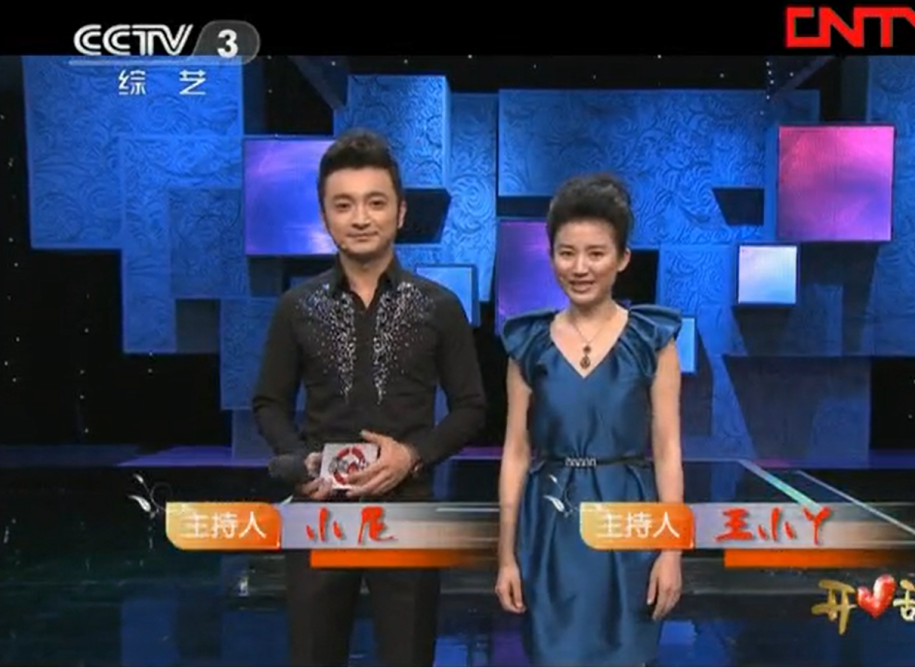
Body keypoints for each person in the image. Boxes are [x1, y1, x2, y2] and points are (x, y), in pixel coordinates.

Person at [251, 128, 487, 667]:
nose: (361, 217)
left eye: (375, 203)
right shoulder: (296, 306)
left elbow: (472, 407)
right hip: (319, 510)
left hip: (407, 511)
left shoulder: (439, 306)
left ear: (400, 213)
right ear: (325, 215)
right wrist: (298, 461)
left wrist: (413, 456)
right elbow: (268, 402)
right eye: (344, 204)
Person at [494, 173, 685, 666]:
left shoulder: (652, 341)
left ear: (622, 258)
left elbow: (667, 449)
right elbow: (516, 452)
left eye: (596, 253)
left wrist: (671, 553)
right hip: (550, 521)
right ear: (551, 256)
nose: (580, 267)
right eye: (567, 253)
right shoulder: (528, 343)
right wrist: (506, 556)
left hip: (629, 516)